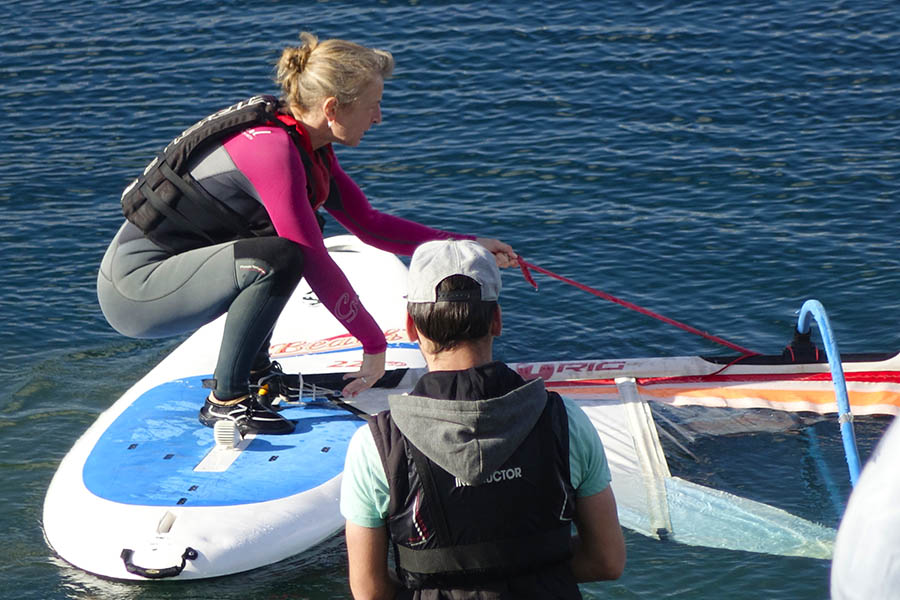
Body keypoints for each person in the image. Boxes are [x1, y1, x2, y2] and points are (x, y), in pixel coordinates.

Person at [96, 33, 516, 436]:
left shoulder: (307, 143)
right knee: (278, 257)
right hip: (137, 290)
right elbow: (309, 256)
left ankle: (256, 371)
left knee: (282, 248)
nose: (379, 117)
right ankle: (226, 400)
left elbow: (369, 224)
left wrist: (464, 243)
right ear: (333, 108)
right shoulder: (271, 150)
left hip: (179, 271)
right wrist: (373, 346)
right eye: (373, 105)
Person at [340, 239, 626, 599]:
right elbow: (607, 561)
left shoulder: (377, 444)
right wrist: (530, 564)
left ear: (411, 326)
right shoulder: (565, 420)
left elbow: (369, 590)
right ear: (497, 320)